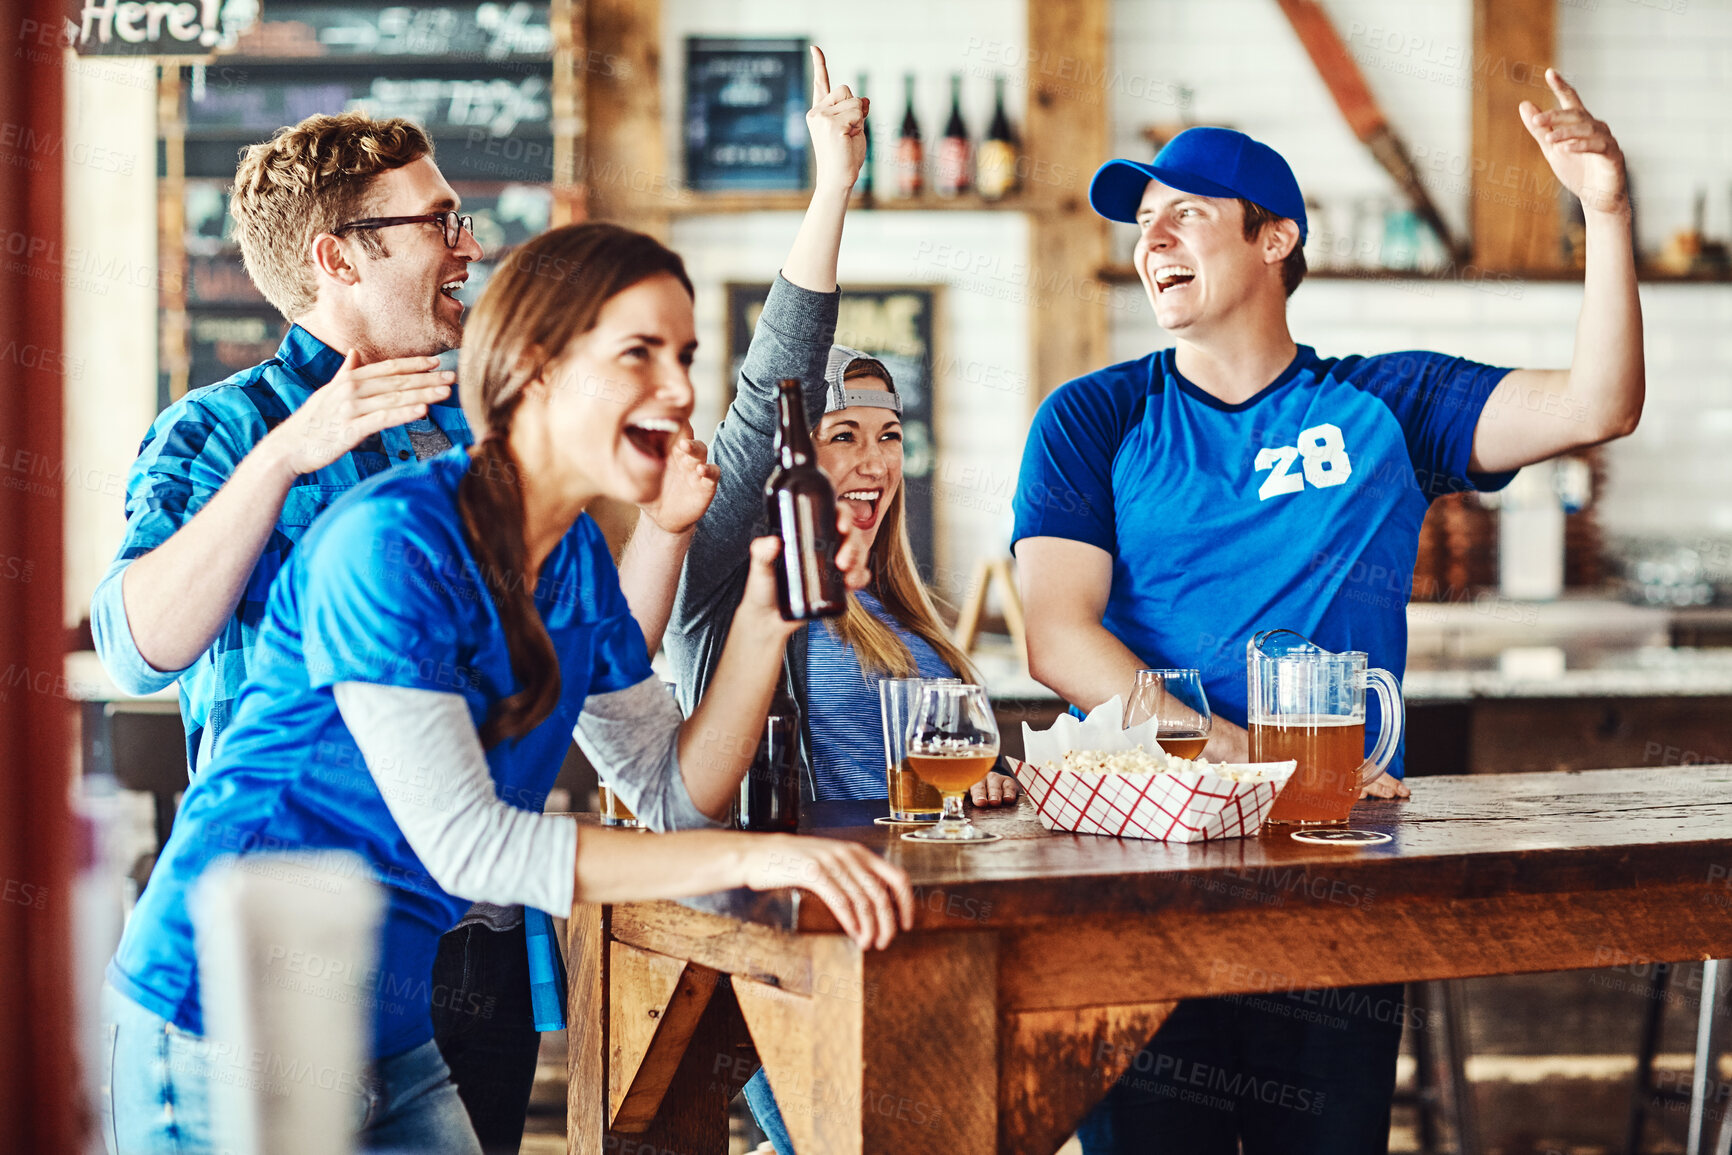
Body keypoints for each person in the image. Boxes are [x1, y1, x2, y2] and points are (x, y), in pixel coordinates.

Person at [101, 220, 914, 1155]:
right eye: (639, 354)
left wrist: (767, 617)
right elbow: (470, 844)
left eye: (683, 357)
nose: (680, 391)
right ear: (537, 368)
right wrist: (754, 860)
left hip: (389, 1033)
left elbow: (669, 787)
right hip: (222, 1023)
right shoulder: (392, 542)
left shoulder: (568, 557)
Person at [1012, 72, 1641, 1154]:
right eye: (1142, 222)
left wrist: (1606, 212)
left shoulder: (1387, 405)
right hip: (1144, 870)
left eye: (1185, 214)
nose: (1151, 238)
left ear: (1274, 239)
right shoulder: (1094, 416)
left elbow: (1600, 403)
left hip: (1332, 859)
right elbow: (1057, 634)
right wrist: (1240, 757)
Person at [86, 111, 712, 1153]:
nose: (469, 245)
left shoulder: (490, 445)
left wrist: (663, 529)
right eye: (439, 220)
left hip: (470, 936)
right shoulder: (222, 429)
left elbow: (595, 681)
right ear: (339, 256)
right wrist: (291, 452)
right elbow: (134, 644)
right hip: (274, 947)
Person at [615, 47, 1014, 1155]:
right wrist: (833, 186)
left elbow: (943, 786)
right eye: (842, 435)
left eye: (889, 436)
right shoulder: (737, 574)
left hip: (926, 944)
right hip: (799, 958)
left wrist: (993, 787)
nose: (874, 459)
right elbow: (772, 379)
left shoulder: (907, 616)